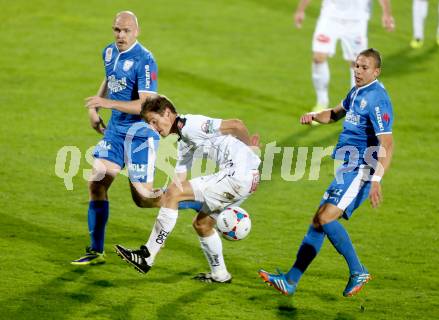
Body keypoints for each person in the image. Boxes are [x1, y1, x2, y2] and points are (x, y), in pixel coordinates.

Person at [259, 48, 394, 297]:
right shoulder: (356, 92)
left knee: (326, 218)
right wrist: (313, 116)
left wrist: (376, 179)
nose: (358, 71)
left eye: (364, 68)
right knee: (317, 222)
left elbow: (387, 143)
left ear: (376, 71)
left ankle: (358, 270)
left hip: (362, 169)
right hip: (347, 169)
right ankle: (290, 281)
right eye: (356, 66)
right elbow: (334, 114)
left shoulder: (378, 99)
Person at [114, 94, 261, 283]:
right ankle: (220, 274)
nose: (153, 128)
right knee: (202, 224)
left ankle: (147, 256)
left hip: (237, 176)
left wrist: (251, 149)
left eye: (154, 121)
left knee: (174, 195)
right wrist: (159, 209)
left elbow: (236, 125)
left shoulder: (192, 125)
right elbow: (178, 182)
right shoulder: (184, 142)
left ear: (167, 114)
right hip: (248, 179)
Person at [72, 11, 163, 266]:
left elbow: (145, 105)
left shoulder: (145, 60)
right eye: (116, 30)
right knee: (96, 182)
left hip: (140, 135)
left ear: (137, 31)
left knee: (143, 198)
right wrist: (94, 107)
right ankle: (96, 250)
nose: (120, 35)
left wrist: (105, 102)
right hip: (115, 131)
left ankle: (184, 199)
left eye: (126, 31)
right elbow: (110, 76)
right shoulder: (109, 52)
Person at [293, 0, 395, 112]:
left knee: (357, 64)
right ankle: (322, 102)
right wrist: (300, 10)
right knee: (318, 57)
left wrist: (387, 13)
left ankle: (356, 102)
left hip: (357, 19)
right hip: (330, 15)